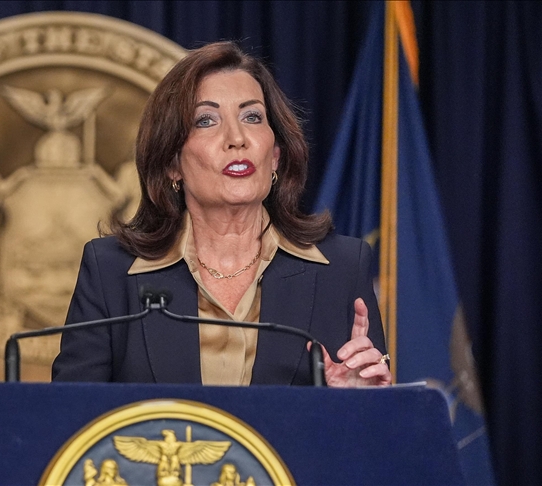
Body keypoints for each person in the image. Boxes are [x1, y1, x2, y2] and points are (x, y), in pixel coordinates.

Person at [51, 41, 390, 387]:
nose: (237, 138)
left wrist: (359, 403)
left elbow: (378, 416)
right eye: (206, 120)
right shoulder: (110, 272)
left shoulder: (342, 268)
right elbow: (72, 415)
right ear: (172, 163)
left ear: (274, 155)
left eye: (252, 117)